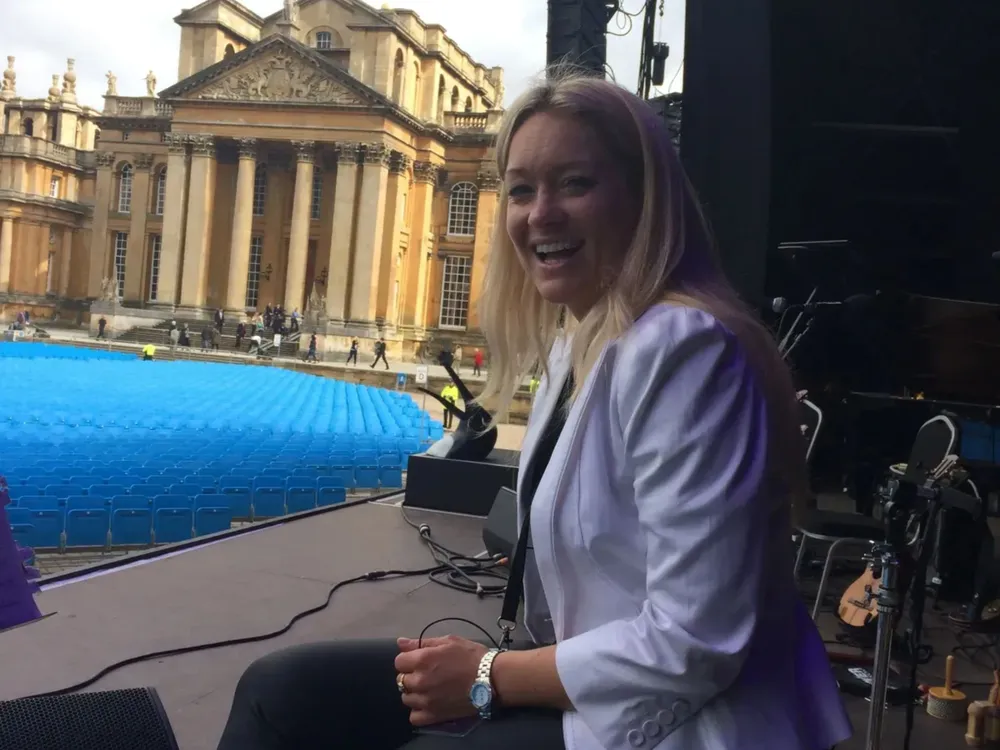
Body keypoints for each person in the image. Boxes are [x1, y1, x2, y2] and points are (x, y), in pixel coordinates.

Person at [216, 71, 851, 750]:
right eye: (521, 189)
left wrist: (489, 673)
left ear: (644, 199)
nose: (539, 214)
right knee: (281, 692)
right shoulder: (578, 343)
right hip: (595, 687)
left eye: (575, 183)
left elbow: (693, 640)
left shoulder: (682, 349)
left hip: (689, 724)